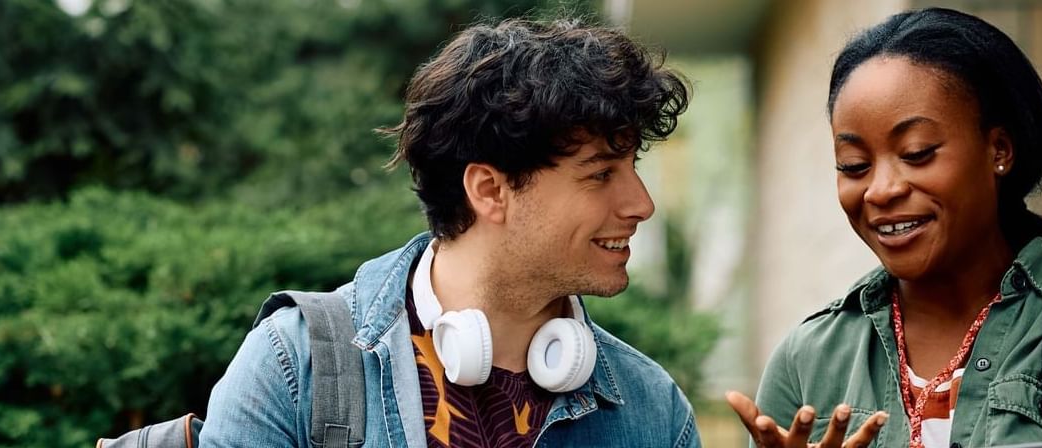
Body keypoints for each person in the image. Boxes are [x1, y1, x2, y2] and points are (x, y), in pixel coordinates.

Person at [196, 17, 701, 447]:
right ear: (489, 190)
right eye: (600, 173)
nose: (643, 204)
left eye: (633, 168)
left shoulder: (653, 411)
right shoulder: (292, 368)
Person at [724, 7, 1042, 448]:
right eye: (854, 165)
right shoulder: (807, 359)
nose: (880, 190)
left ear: (998, 149)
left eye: (917, 153)